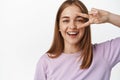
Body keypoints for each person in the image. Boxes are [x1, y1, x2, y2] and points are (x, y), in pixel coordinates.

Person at [34, 0, 120, 80]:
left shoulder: (104, 54)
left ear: (87, 24)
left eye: (79, 20)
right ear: (58, 26)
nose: (72, 26)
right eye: (66, 21)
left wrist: (109, 17)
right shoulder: (45, 63)